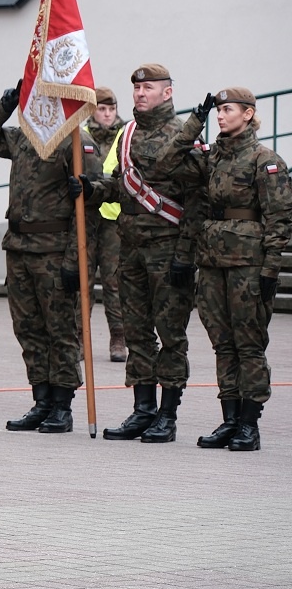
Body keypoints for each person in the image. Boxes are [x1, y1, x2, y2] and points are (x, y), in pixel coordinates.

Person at [154, 88, 291, 451]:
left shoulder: (265, 160)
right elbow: (165, 165)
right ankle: (229, 420)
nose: (220, 115)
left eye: (228, 109)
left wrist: (271, 270)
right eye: (217, 110)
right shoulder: (212, 156)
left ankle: (249, 424)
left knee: (249, 344)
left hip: (249, 264)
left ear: (248, 114)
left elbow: (279, 219)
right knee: (222, 344)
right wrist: (193, 122)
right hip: (213, 261)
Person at [79, 64, 202, 443]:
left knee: (170, 333)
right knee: (136, 331)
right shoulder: (128, 133)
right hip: (130, 249)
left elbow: (197, 200)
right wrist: (92, 189)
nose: (140, 94)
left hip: (168, 249)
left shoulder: (183, 135)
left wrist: (186, 255)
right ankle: (143, 409)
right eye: (136, 88)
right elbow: (121, 186)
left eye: (148, 88)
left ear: (167, 93)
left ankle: (167, 415)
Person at [0, 81, 102, 433]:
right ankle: (41, 400)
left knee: (61, 331)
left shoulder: (76, 141)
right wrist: (5, 104)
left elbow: (90, 207)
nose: (36, 103)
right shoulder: (22, 138)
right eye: (31, 97)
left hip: (54, 250)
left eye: (42, 97)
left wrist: (76, 260)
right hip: (19, 247)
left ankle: (62, 406)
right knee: (28, 329)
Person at [84, 87, 127, 361]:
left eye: (111, 109)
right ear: (93, 111)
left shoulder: (125, 135)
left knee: (114, 282)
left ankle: (118, 338)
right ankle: (79, 338)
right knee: (83, 281)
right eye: (102, 109)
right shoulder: (81, 136)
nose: (108, 114)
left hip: (113, 219)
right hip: (86, 217)